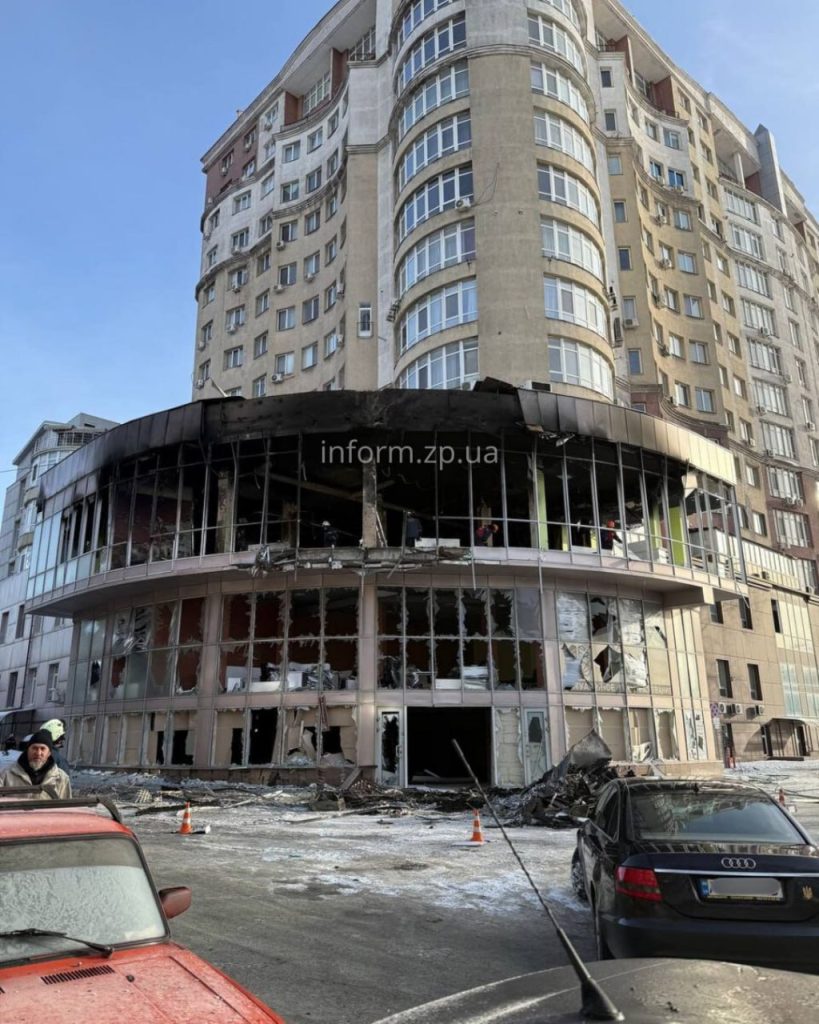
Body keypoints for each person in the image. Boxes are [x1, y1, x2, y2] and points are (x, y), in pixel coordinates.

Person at [0, 730, 72, 799]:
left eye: (42, 749)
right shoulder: (7, 774)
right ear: (27, 750)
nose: (38, 753)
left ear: (49, 753)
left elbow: (66, 806)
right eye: (34, 748)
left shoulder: (61, 778)